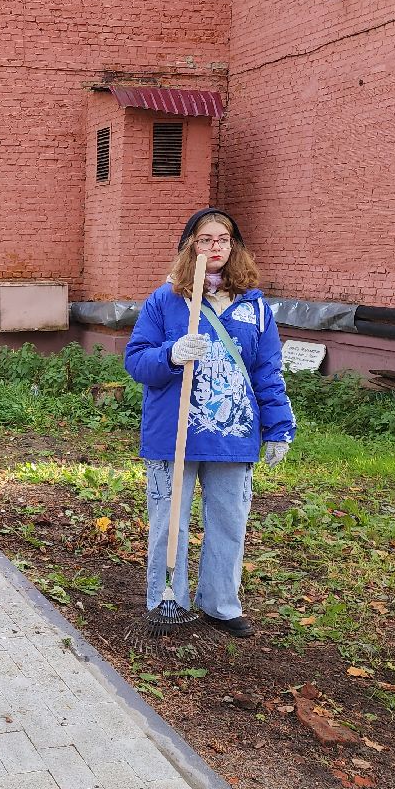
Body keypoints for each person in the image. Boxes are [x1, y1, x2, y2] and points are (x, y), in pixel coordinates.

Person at [124, 208, 295, 638]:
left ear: (234, 246)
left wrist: (277, 426)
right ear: (190, 246)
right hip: (175, 434)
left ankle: (220, 603)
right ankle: (167, 599)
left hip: (234, 436)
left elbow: (267, 372)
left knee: (229, 521)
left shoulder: (255, 308)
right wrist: (170, 354)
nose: (215, 247)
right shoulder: (165, 301)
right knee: (170, 521)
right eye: (205, 239)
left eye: (223, 239)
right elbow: (135, 361)